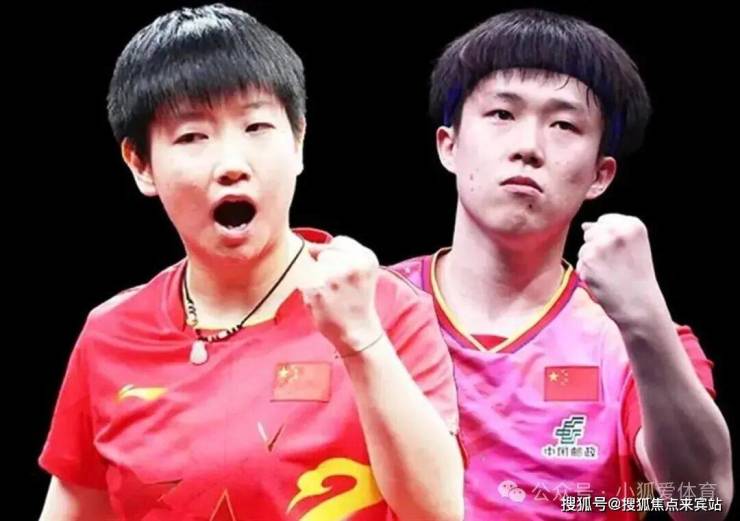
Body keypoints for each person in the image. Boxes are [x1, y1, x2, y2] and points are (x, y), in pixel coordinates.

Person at [38, 4, 464, 520]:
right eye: (192, 136)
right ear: (140, 164)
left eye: (256, 126)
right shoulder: (111, 335)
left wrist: (360, 339)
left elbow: (439, 511)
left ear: (299, 141)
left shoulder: (386, 308)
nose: (231, 164)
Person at [391, 9, 732, 520]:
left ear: (600, 175)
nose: (528, 147)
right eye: (502, 114)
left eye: (564, 125)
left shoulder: (638, 342)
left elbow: (703, 502)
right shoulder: (363, 306)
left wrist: (645, 320)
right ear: (449, 145)